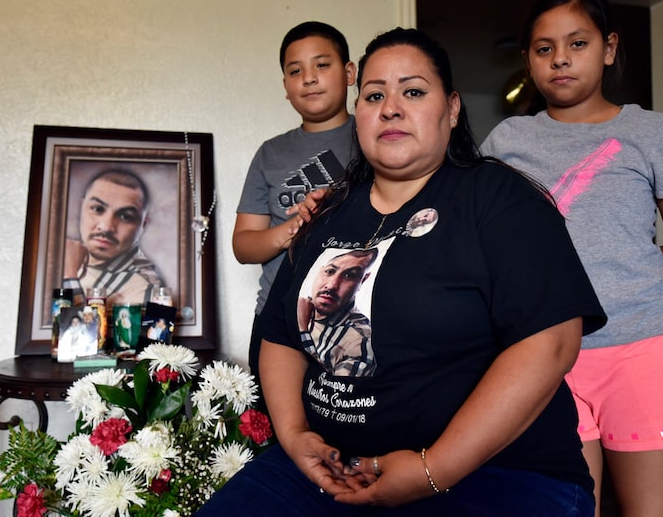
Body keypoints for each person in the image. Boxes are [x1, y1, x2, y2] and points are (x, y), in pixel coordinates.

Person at [194, 27, 607, 516]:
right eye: (374, 95)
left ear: (451, 109)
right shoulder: (327, 214)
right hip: (327, 471)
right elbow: (282, 335)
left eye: (412, 91)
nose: (390, 107)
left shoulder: (501, 199)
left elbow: (551, 343)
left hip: (497, 473)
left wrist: (436, 468)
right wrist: (295, 435)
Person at [481, 0, 663, 516]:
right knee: (566, 508)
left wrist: (610, 266)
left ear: (609, 48)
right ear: (528, 59)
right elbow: (483, 245)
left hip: (643, 348)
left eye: (578, 43)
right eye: (544, 48)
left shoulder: (652, 131)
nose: (560, 59)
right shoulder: (505, 141)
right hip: (541, 355)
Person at [232, 21, 358, 392]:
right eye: (295, 71)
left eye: (322, 65)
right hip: (278, 318)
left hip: (350, 317)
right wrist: (296, 227)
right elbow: (243, 245)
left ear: (349, 73)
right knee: (275, 434)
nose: (309, 78)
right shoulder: (270, 153)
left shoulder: (373, 139)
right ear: (285, 87)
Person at [63, 168, 165, 310]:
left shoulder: (150, 289)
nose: (106, 227)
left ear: (143, 224)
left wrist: (69, 279)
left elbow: (76, 331)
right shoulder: (67, 255)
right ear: (82, 208)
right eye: (97, 209)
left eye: (125, 216)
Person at [298, 248, 378, 377]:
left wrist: (302, 331)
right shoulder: (299, 306)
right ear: (319, 270)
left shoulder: (360, 341)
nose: (332, 285)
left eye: (349, 275)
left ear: (363, 280)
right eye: (330, 271)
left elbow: (334, 393)